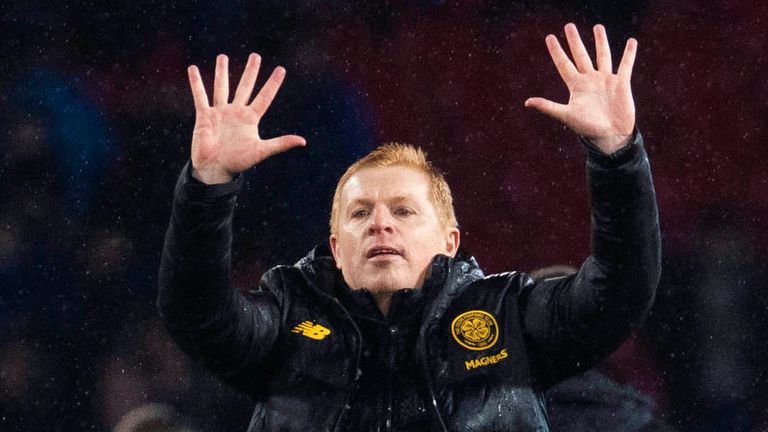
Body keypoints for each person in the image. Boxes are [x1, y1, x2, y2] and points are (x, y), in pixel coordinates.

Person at [158, 23, 661, 431]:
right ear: (335, 246)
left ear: (450, 241)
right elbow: (194, 313)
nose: (380, 223)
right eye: (360, 214)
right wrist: (209, 184)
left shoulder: (511, 318)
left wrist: (617, 157)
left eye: (403, 210)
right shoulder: (287, 321)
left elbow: (619, 290)